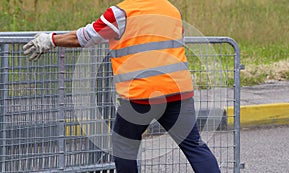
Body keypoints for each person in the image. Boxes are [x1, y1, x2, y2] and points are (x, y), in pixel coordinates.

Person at [23, 0, 221, 172]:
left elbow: (84, 37)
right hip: (178, 91)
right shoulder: (171, 10)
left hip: (141, 94)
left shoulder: (121, 13)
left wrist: (50, 40)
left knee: (124, 147)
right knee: (194, 146)